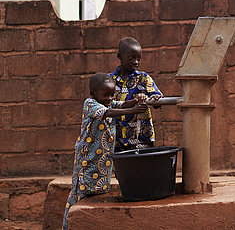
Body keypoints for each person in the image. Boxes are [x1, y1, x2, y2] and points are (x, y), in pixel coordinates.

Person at [63, 73, 148, 229]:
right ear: (93, 94)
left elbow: (121, 104)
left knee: (98, 189)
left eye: (112, 94)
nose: (110, 98)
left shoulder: (108, 103)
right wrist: (133, 110)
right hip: (87, 157)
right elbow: (108, 112)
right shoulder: (90, 104)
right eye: (106, 95)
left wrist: (136, 101)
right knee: (80, 191)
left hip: (101, 158)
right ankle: (69, 225)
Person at [110, 37, 163, 152]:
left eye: (139, 58)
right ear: (119, 56)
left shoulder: (143, 78)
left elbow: (157, 99)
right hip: (116, 137)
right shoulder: (109, 81)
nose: (136, 62)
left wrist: (153, 99)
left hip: (141, 138)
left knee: (142, 167)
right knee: (120, 168)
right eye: (132, 58)